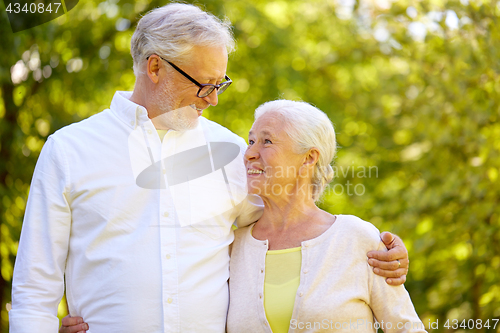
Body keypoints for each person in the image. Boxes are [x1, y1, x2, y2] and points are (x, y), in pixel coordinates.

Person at [10, 4, 408, 333]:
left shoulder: (233, 152)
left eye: (221, 84)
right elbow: (33, 291)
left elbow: (289, 228)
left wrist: (377, 253)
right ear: (154, 68)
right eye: (204, 85)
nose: (214, 100)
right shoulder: (68, 150)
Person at [227, 100, 424, 332]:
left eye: (266, 141)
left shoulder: (356, 238)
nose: (249, 153)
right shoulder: (233, 246)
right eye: (251, 141)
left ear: (309, 158)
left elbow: (407, 328)